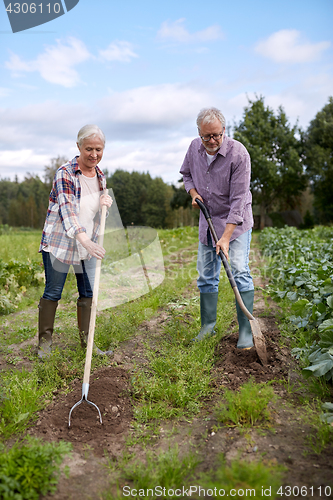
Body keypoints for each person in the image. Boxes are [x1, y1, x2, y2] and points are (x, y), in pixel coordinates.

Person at [180, 107, 254, 348]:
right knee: (206, 276)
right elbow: (187, 174)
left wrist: (226, 237)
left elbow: (239, 201)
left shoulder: (238, 154)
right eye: (206, 136)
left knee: (239, 273)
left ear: (224, 130)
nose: (211, 141)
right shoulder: (194, 148)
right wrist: (193, 193)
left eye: (216, 135)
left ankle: (246, 331)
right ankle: (207, 327)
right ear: (199, 133)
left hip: (236, 222)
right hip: (207, 219)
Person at [38, 124, 113, 358]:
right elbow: (68, 213)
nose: (94, 154)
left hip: (87, 243)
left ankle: (87, 344)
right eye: (89, 148)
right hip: (60, 242)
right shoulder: (65, 173)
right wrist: (86, 241)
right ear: (78, 146)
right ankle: (44, 344)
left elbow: (93, 214)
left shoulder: (100, 175)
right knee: (53, 292)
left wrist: (105, 207)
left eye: (98, 149)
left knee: (88, 294)